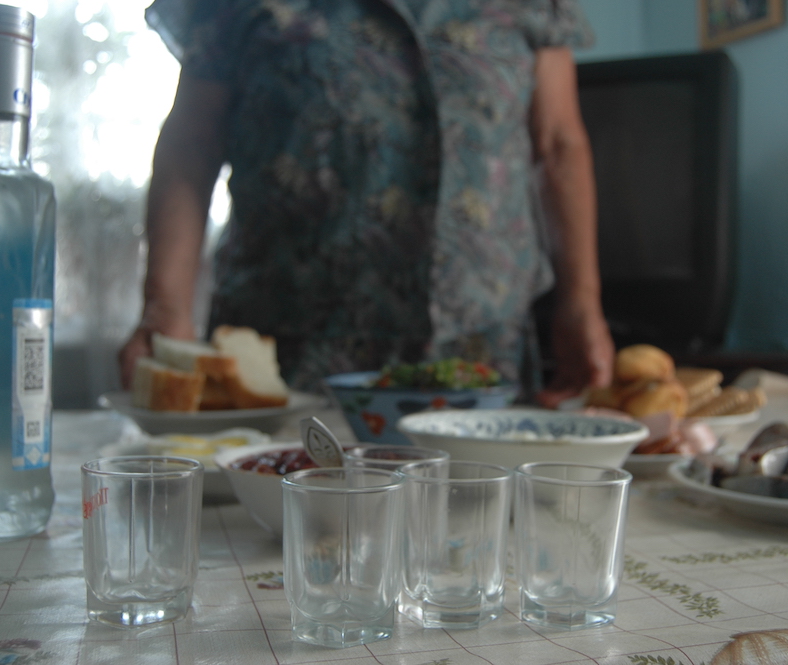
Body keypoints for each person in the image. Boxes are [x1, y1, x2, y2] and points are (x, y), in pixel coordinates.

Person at [119, 0, 615, 406]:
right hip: (288, 356)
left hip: (479, 357)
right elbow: (191, 147)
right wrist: (165, 306)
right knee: (280, 522)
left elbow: (557, 147)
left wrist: (581, 302)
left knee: (478, 520)